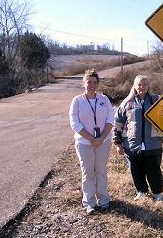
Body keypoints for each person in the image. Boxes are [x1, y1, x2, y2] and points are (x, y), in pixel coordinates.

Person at [69, 68, 114, 215]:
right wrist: (91, 138)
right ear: (84, 83)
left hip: (104, 141)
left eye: (95, 82)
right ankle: (89, 203)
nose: (92, 85)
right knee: (87, 171)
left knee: (101, 170)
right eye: (89, 82)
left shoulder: (104, 99)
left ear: (98, 84)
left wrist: (101, 138)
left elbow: (110, 119)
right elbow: (75, 123)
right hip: (84, 143)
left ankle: (104, 200)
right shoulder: (77, 101)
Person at [113, 75, 163, 201]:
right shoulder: (126, 103)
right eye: (139, 85)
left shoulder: (156, 100)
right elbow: (118, 123)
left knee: (154, 170)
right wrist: (118, 143)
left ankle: (158, 194)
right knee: (136, 170)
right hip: (132, 144)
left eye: (145, 84)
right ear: (135, 87)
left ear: (148, 86)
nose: (142, 87)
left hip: (153, 143)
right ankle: (141, 191)